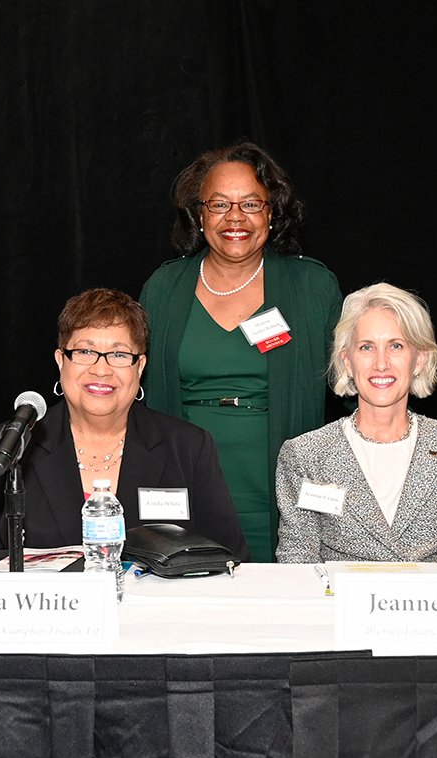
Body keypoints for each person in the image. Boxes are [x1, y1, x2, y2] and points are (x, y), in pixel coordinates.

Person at [139, 141, 342, 562]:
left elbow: (361, 386)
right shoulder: (163, 289)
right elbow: (131, 395)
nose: (235, 217)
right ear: (199, 214)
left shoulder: (312, 287)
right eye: (219, 204)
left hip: (280, 486)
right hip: (185, 485)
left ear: (272, 212)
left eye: (251, 203)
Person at [0, 288, 249, 560]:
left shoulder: (188, 446)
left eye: (119, 354)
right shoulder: (11, 443)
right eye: (86, 352)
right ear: (61, 361)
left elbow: (229, 558)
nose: (101, 369)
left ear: (139, 366)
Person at [274, 283, 437, 564]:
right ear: (347, 361)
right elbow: (296, 566)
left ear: (419, 359)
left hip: (435, 606)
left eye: (396, 346)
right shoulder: (305, 454)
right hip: (339, 606)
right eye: (366, 347)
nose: (381, 363)